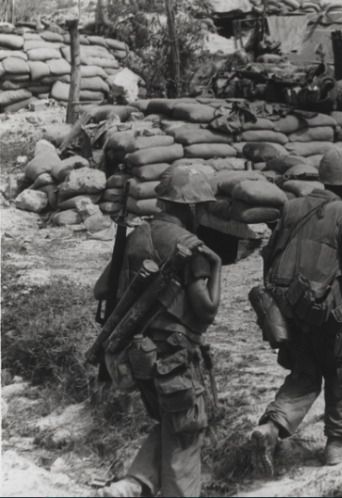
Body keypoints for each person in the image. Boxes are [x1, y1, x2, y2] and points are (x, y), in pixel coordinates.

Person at [93, 166, 221, 497]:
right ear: (192, 207)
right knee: (187, 430)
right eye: (202, 206)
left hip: (137, 355)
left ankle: (134, 483)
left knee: (171, 423)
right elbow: (206, 309)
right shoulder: (191, 247)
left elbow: (102, 288)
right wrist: (216, 266)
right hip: (173, 357)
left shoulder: (136, 237)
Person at [250, 148, 342, 476]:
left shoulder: (291, 208)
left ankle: (271, 430)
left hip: (291, 310)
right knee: (341, 372)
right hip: (330, 315)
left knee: (304, 373)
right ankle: (336, 445)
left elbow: (269, 256)